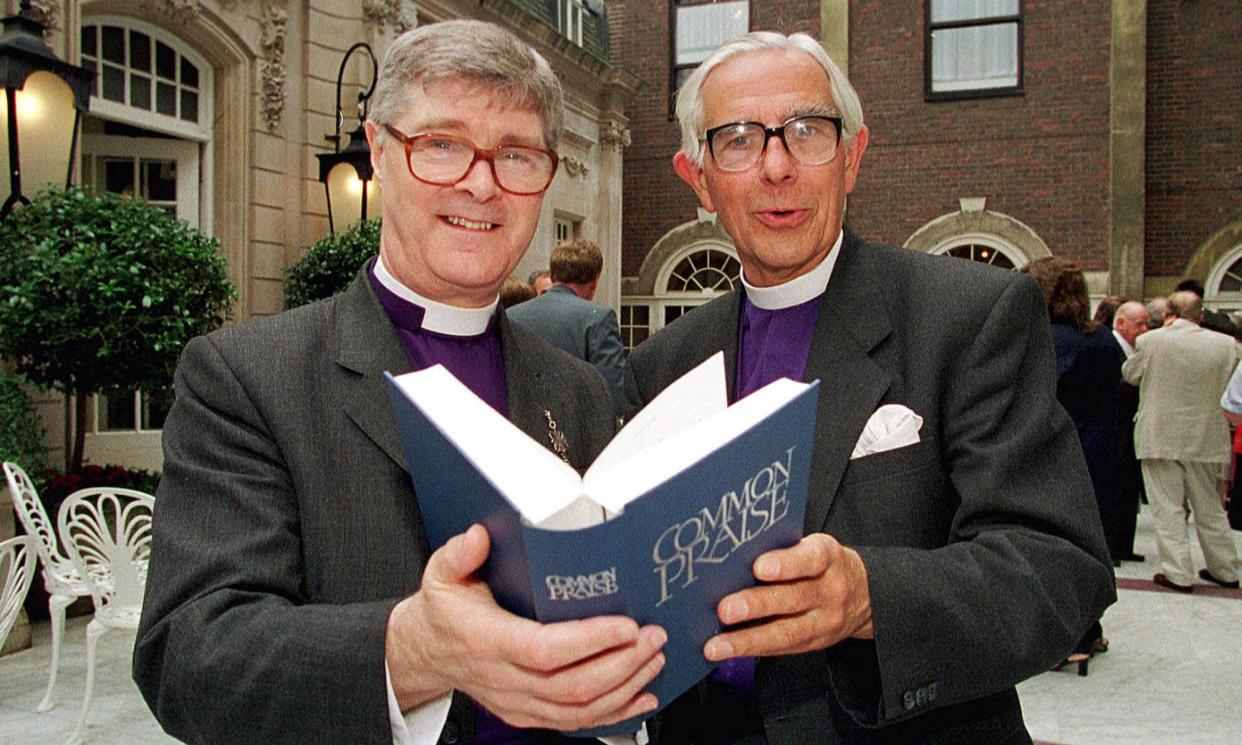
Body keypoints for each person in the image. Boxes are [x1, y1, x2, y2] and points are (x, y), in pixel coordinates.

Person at [133, 21, 667, 745]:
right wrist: (411, 650)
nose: (481, 183)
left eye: (516, 154)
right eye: (442, 144)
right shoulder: (248, 376)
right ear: (379, 149)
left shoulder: (576, 390)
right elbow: (188, 656)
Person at [623, 30, 1115, 743]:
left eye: (806, 131)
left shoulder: (969, 316)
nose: (777, 166)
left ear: (852, 156)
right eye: (737, 140)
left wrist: (868, 597)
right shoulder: (661, 365)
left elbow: (1059, 570)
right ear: (697, 178)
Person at [1021, 257, 1122, 673]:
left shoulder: (1046, 340)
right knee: (1088, 542)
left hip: (1060, 451)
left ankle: (1069, 638)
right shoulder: (1103, 340)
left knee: (1054, 544)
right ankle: (1090, 628)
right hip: (1103, 449)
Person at [1123, 290, 1241, 592]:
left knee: (1167, 506)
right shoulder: (1227, 345)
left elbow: (1130, 374)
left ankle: (1178, 573)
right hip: (1206, 435)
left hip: (1159, 432)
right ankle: (1225, 568)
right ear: (1201, 316)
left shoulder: (1151, 341)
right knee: (1210, 506)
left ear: (1168, 315)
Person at [507, 239, 625, 410]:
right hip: (576, 427)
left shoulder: (512, 315)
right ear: (595, 281)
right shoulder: (599, 318)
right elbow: (612, 392)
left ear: (552, 276)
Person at [1111, 300, 1150, 561]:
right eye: (1140, 324)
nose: (1145, 329)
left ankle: (1125, 545)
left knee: (1129, 488)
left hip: (1131, 432)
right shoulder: (1110, 347)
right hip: (1116, 432)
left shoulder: (1139, 351)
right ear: (1121, 323)